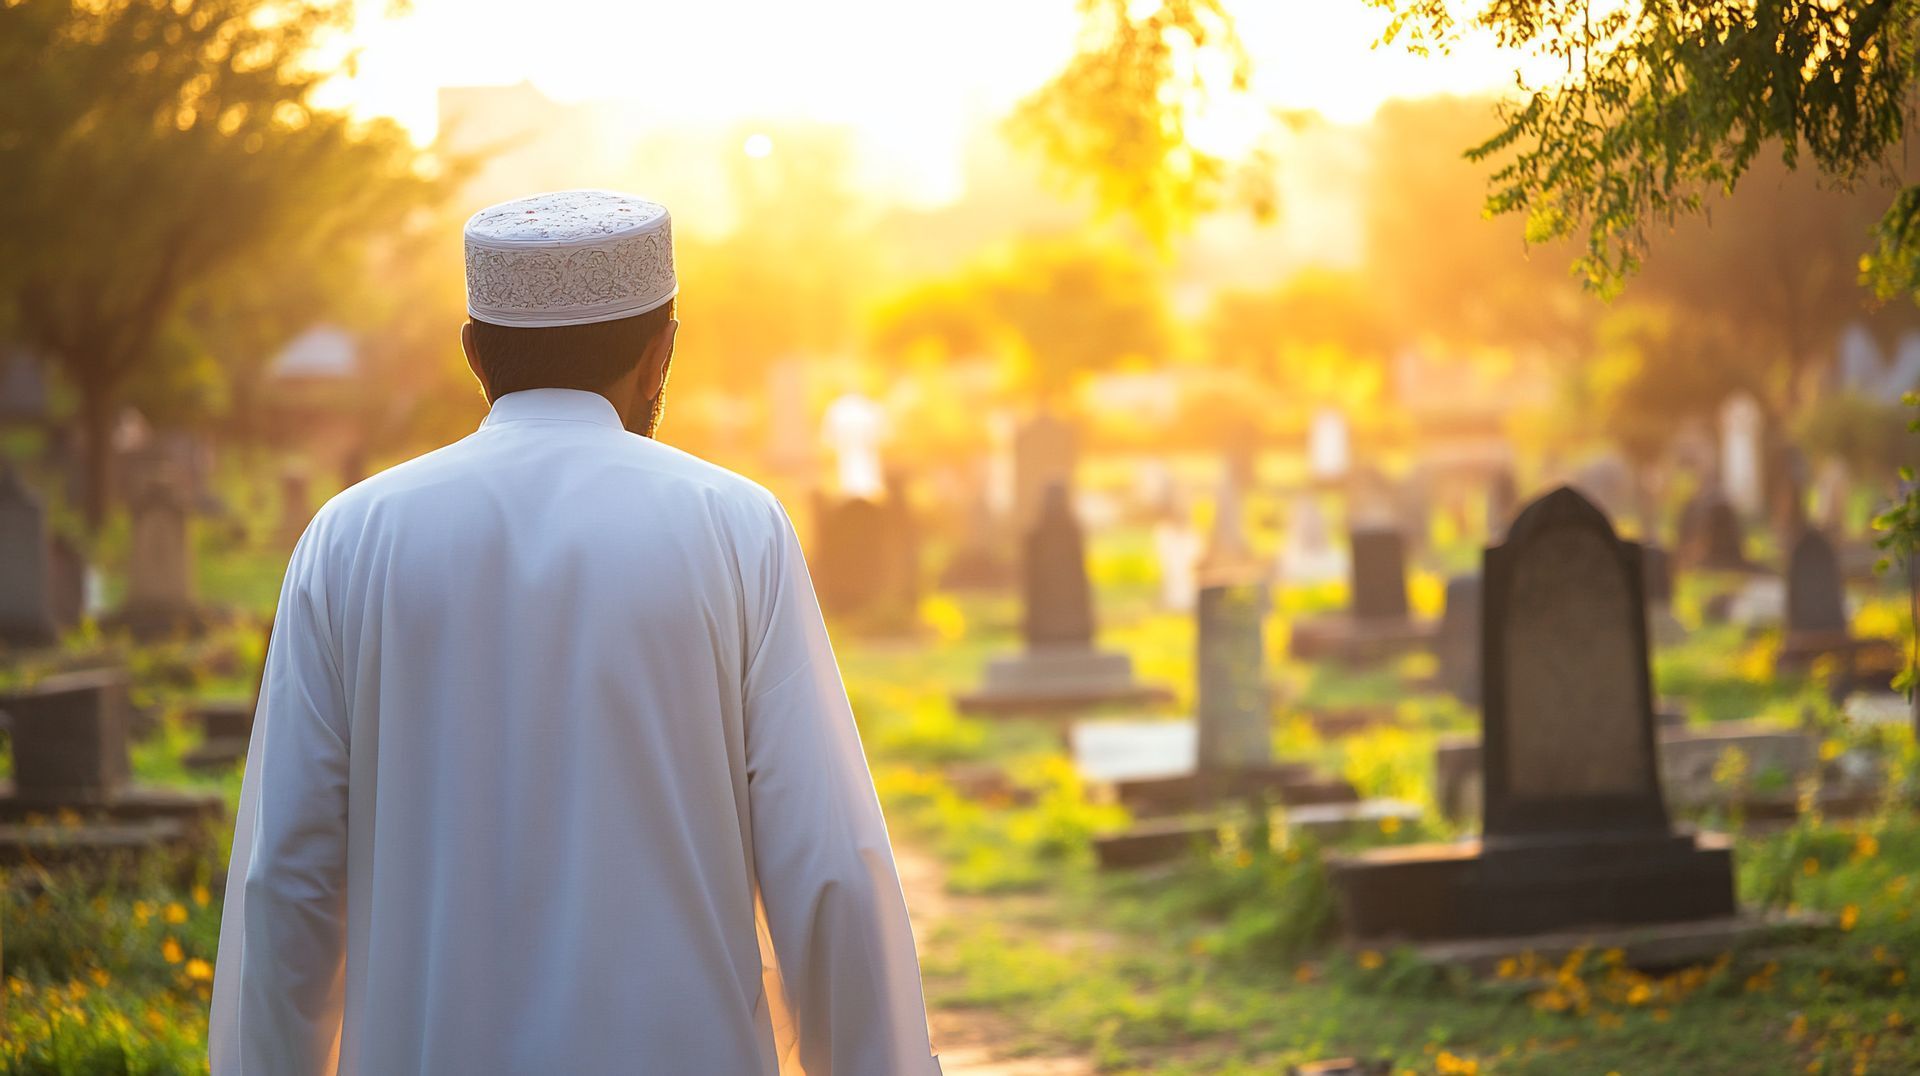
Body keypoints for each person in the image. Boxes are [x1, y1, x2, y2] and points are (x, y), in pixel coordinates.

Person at [209, 189, 941, 1075]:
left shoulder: (350, 538)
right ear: (661, 349)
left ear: (474, 351)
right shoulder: (733, 526)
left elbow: (286, 881)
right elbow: (827, 873)